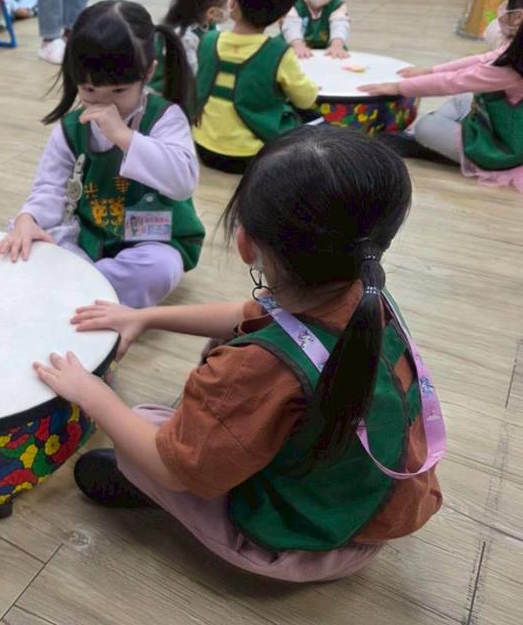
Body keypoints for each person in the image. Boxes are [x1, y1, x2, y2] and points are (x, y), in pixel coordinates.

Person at [34, 125, 444, 583]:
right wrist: (144, 317)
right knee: (231, 354)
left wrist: (91, 394)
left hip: (293, 546)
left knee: (141, 429)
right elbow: (246, 314)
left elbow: (171, 468)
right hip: (367, 511)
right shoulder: (364, 295)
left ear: (245, 242)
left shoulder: (255, 367)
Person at [0, 0, 204, 309]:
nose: (104, 102)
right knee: (21, 237)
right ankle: (87, 287)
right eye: (90, 90)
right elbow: (50, 188)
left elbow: (183, 181)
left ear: (148, 72)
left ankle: (77, 289)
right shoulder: (71, 128)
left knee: (159, 269)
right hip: (89, 236)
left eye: (119, 91)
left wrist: (123, 136)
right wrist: (29, 218)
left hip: (153, 237)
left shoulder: (164, 118)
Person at [363, 0, 523, 191]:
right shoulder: (515, 52)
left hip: (504, 147)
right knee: (462, 100)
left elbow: (454, 82)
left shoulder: (511, 68)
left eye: (508, 1)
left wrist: (398, 88)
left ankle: (441, 147)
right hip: (505, 122)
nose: (503, 6)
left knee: (425, 128)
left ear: (517, 17)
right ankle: (442, 139)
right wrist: (431, 70)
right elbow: (483, 59)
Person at [193, 0, 318, 174]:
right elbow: (306, 99)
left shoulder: (208, 40)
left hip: (203, 147)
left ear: (233, 1)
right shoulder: (279, 52)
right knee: (310, 118)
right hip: (251, 155)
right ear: (282, 16)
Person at [152, 0, 236, 89]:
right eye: (231, 2)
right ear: (212, 12)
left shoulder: (209, 24)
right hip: (166, 92)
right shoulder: (185, 37)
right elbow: (195, 77)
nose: (234, 6)